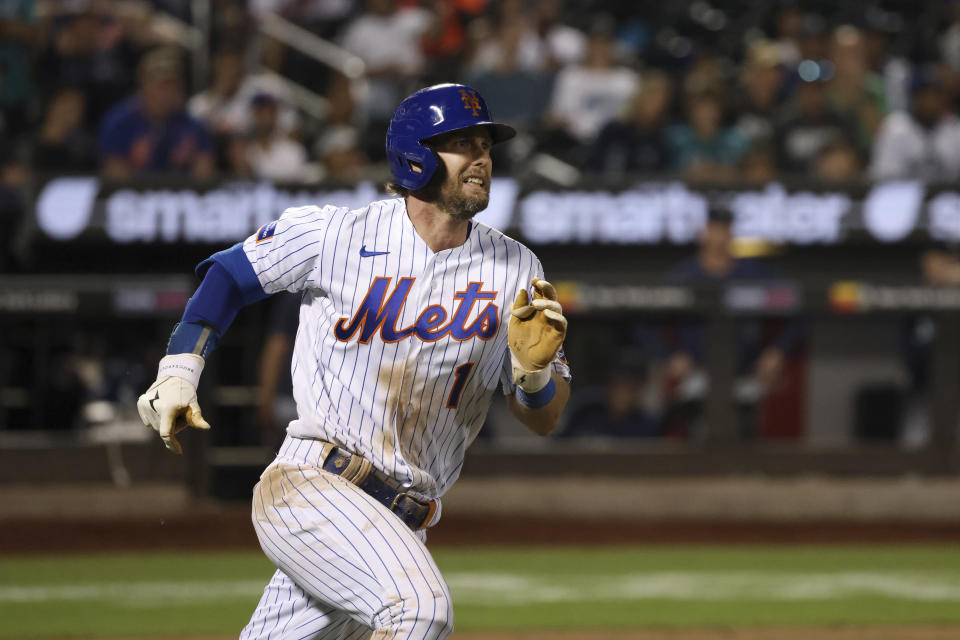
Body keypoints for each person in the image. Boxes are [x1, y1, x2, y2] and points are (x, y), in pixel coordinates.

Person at [136, 83, 571, 639]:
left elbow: (544, 416)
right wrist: (179, 368)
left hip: (402, 518)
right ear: (415, 153)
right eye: (462, 142)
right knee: (418, 610)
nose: (482, 157)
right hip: (313, 484)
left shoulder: (516, 268)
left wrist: (533, 376)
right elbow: (229, 274)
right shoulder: (336, 234)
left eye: (486, 144)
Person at [98, 48, 214, 180]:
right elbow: (116, 178)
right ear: (143, 87)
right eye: (160, 86)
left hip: (181, 197)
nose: (166, 94)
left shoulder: (194, 127)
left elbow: (203, 178)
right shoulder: (119, 123)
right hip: (133, 197)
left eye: (172, 85)